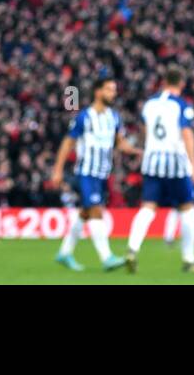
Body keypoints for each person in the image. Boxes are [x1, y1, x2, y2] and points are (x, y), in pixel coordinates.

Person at [125, 66, 194, 274]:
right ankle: (189, 260)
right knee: (188, 208)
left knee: (147, 207)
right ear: (181, 83)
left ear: (164, 81)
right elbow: (187, 134)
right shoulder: (181, 105)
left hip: (152, 161)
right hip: (175, 164)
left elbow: (144, 131)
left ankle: (131, 250)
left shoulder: (149, 104)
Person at [50, 78, 140, 271]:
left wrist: (135, 150)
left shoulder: (114, 117)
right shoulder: (84, 117)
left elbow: (119, 142)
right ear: (98, 92)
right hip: (86, 172)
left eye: (114, 90)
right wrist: (57, 170)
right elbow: (68, 143)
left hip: (102, 173)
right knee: (96, 210)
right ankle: (107, 258)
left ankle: (64, 253)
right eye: (109, 90)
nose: (113, 94)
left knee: (85, 213)